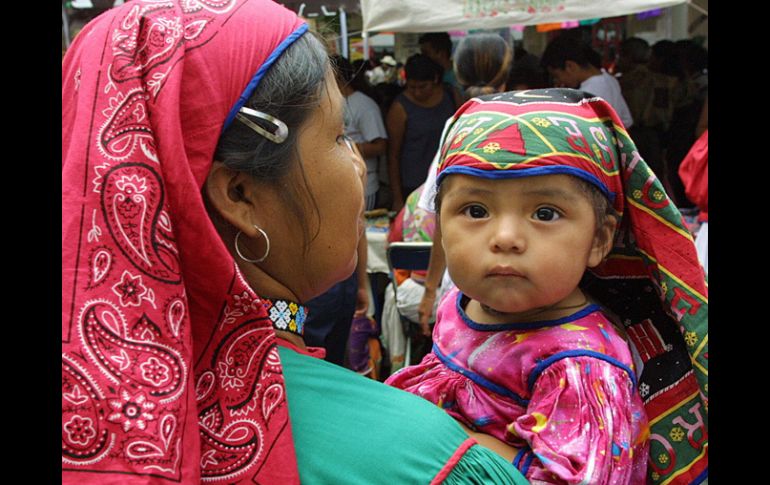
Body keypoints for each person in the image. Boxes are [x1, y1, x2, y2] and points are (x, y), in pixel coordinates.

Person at [61, 1, 530, 483]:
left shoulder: (94, 403)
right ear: (240, 195)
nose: (356, 164)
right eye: (338, 134)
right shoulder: (421, 457)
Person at [387, 89, 708, 484]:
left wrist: (447, 440)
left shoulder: (580, 367)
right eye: (475, 210)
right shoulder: (461, 303)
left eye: (545, 213)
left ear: (599, 239)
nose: (505, 237)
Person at [415, 33, 513, 334]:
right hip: (523, 277)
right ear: (506, 76)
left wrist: (430, 290)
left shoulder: (458, 125)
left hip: (467, 283)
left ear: (456, 75)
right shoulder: (533, 121)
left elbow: (444, 215)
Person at [387, 54, 459, 211]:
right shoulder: (399, 108)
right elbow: (393, 155)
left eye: (422, 87)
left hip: (446, 179)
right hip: (412, 185)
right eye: (412, 87)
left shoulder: (451, 96)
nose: (417, 93)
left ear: (435, 80)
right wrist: (397, 198)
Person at [541, 34, 634, 129]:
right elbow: (627, 120)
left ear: (570, 66)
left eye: (556, 76)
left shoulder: (583, 95)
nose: (557, 81)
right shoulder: (610, 80)